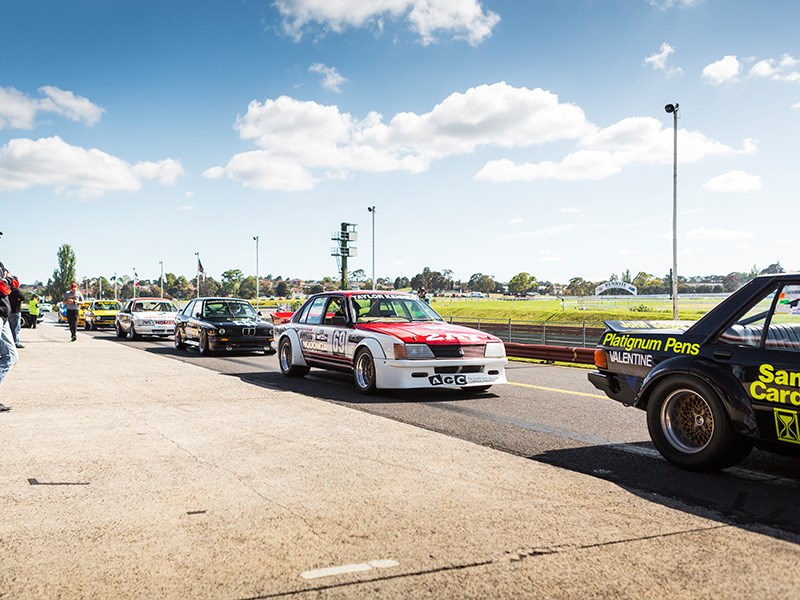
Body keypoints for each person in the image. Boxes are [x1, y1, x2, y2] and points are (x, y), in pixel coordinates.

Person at [0, 261, 18, 411]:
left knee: (11, 356)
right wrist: (7, 281)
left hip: (3, 315)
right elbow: (5, 288)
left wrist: (9, 280)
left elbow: (14, 286)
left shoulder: (1, 265)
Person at [4, 268, 25, 348]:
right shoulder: (15, 290)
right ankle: (15, 342)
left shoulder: (7, 289)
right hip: (16, 312)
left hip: (8, 312)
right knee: (15, 329)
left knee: (8, 329)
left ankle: (9, 343)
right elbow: (22, 298)